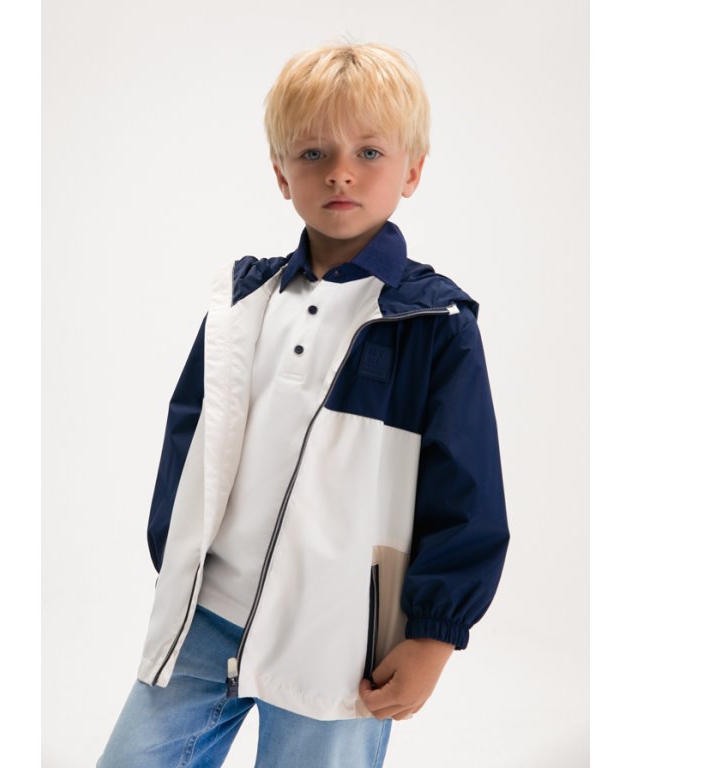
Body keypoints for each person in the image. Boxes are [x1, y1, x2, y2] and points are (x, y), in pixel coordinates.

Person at [97, 40, 509, 768]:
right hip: (208, 614)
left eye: (370, 152)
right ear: (281, 173)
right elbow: (187, 440)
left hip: (340, 636)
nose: (341, 171)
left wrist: (433, 636)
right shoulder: (241, 302)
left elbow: (466, 493)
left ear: (413, 169)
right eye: (314, 153)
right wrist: (176, 558)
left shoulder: (431, 323)